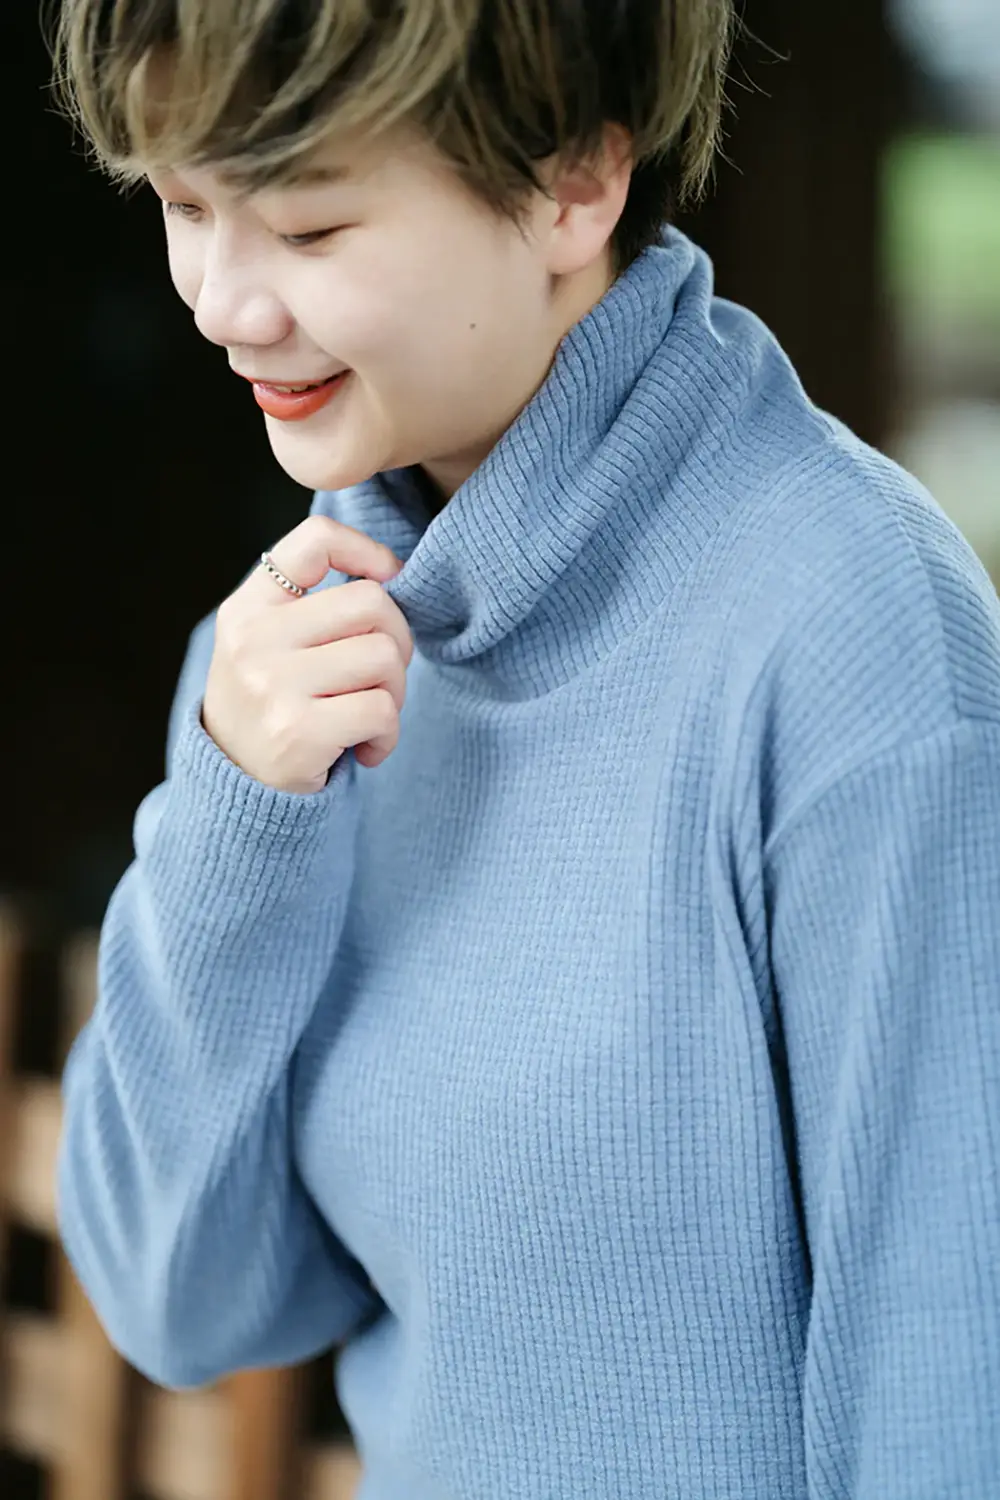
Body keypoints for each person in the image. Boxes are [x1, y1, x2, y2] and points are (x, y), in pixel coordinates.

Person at [51, 2, 1000, 1497]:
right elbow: (178, 1305)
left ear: (575, 181)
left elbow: (948, 1404)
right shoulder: (281, 662)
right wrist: (235, 819)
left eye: (305, 225)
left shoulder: (852, 637)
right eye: (182, 205)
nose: (224, 303)